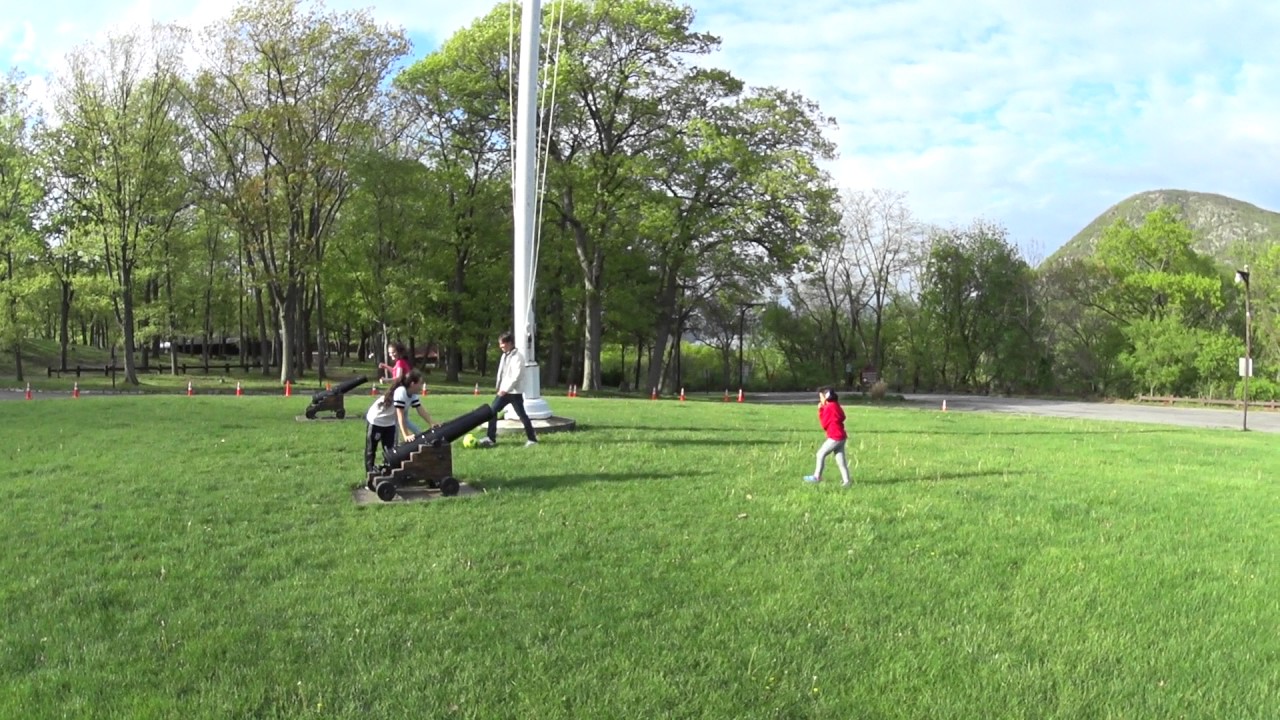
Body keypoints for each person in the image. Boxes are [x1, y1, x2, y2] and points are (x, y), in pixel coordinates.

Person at [364, 370, 434, 476]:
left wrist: (432, 423)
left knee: (391, 450)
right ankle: (370, 474)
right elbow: (400, 415)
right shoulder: (401, 392)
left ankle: (388, 472)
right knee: (371, 449)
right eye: (420, 383)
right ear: (412, 384)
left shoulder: (412, 394)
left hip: (390, 423)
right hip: (377, 420)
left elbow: (420, 410)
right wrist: (406, 435)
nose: (421, 386)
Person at [477, 331, 538, 447]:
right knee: (492, 412)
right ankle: (491, 438)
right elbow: (502, 373)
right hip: (504, 391)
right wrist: (499, 387)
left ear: (510, 343)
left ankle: (532, 440)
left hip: (514, 392)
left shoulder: (518, 357)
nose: (500, 346)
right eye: (500, 344)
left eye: (502, 344)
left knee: (522, 416)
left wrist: (505, 389)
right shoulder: (504, 355)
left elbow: (516, 376)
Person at [804, 387, 852, 487]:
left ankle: (817, 477)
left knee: (820, 454)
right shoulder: (836, 405)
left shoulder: (828, 408)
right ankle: (847, 481)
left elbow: (824, 424)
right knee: (840, 460)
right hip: (841, 437)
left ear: (826, 398)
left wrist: (821, 410)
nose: (820, 400)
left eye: (821, 397)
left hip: (834, 437)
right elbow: (842, 416)